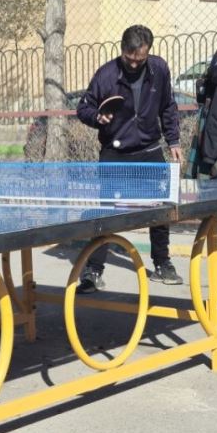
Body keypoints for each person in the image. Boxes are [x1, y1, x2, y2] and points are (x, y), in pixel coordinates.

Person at [74, 24, 185, 292]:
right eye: (129, 58)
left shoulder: (159, 70)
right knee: (105, 212)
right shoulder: (106, 75)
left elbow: (168, 107)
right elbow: (83, 108)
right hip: (114, 153)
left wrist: (173, 140)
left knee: (160, 209)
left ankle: (162, 263)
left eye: (140, 59)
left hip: (149, 149)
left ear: (148, 53)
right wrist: (97, 118)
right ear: (122, 50)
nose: (134, 64)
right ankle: (94, 270)